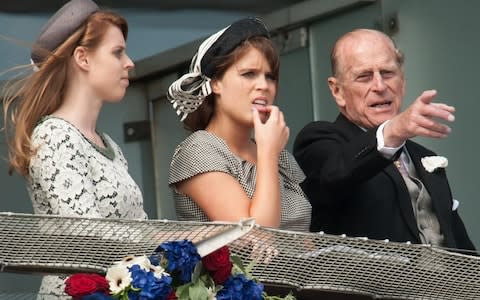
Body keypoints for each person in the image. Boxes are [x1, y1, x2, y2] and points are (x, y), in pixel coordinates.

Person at [2, 0, 147, 296]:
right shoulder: (55, 135)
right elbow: (88, 234)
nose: (129, 62)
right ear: (82, 58)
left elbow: (137, 229)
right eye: (117, 52)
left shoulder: (110, 146)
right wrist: (170, 238)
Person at [293, 28, 475, 253]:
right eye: (364, 76)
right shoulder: (320, 141)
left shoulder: (425, 156)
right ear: (337, 90)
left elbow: (463, 249)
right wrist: (394, 130)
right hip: (369, 286)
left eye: (388, 73)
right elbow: (335, 174)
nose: (380, 86)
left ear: (403, 81)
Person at [166, 17, 311, 232]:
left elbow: (304, 236)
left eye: (270, 77)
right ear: (215, 83)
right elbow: (258, 237)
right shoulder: (199, 149)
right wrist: (268, 152)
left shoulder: (279, 155)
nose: (263, 85)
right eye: (249, 74)